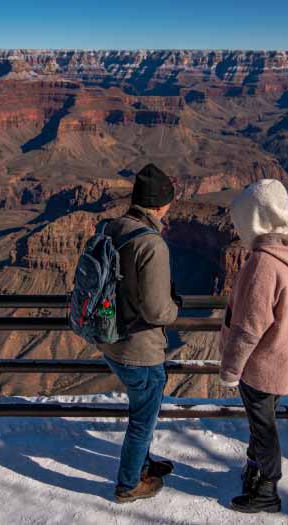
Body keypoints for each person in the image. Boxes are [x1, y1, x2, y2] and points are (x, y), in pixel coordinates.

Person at [218, 179, 288, 514]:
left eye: (242, 221)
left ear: (256, 219)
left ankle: (267, 489)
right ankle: (255, 469)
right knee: (263, 420)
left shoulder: (264, 263)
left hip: (261, 363)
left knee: (263, 426)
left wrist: (231, 370)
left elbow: (249, 327)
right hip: (287, 353)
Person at [99, 163, 180, 503]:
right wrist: (176, 308)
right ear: (161, 205)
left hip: (109, 338)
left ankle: (143, 463)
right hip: (140, 349)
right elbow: (158, 311)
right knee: (143, 419)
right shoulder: (151, 244)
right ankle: (129, 484)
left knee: (142, 408)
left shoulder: (110, 227)